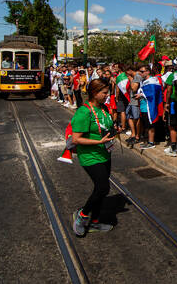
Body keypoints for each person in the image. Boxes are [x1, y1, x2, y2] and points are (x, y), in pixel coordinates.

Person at [70, 78, 118, 236]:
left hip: (105, 154)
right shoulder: (84, 112)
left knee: (101, 190)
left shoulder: (104, 108)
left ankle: (95, 222)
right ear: (94, 93)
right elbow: (76, 139)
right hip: (90, 156)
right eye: (104, 93)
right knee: (103, 187)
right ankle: (82, 216)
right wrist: (99, 140)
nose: (107, 95)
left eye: (107, 92)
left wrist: (113, 130)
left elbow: (104, 127)